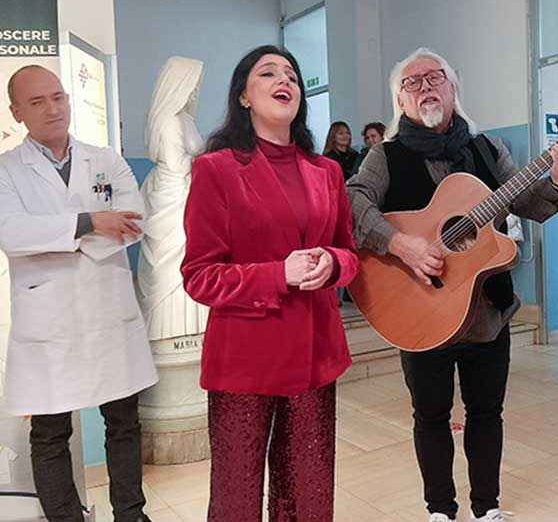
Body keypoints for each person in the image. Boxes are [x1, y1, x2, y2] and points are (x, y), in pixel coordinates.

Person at [346, 47, 558, 522]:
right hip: (418, 309)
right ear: (400, 101)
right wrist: (400, 245)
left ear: (454, 89)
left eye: (435, 78)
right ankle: (440, 509)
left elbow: (531, 203)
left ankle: (486, 507)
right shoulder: (384, 156)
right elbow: (350, 202)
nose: (425, 87)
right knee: (430, 415)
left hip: (485, 312)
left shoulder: (488, 150)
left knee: (486, 412)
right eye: (412, 83)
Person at [180, 45, 357, 522]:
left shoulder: (328, 172)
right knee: (237, 496)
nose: (286, 81)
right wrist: (278, 274)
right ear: (243, 95)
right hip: (245, 359)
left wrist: (332, 264)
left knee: (309, 492)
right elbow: (199, 276)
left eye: (294, 76)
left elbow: (349, 253)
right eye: (269, 73)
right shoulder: (215, 170)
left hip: (315, 355)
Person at [0, 65, 158, 522]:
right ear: (16, 112)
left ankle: (131, 514)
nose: (53, 109)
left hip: (107, 308)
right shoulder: (8, 170)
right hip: (48, 316)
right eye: (37, 102)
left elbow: (134, 220)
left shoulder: (104, 159)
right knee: (50, 431)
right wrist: (89, 222)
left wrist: (56, 240)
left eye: (59, 97)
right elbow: (11, 232)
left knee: (124, 421)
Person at [137, 55, 209, 341]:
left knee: (190, 254)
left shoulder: (184, 119)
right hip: (174, 195)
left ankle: (192, 319)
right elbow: (177, 165)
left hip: (187, 190)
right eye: (191, 85)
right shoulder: (169, 120)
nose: (194, 92)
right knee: (173, 259)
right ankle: (172, 325)